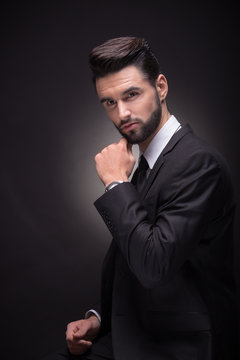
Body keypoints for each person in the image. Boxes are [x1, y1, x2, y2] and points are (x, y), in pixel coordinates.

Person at [43, 37, 238, 360]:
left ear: (160, 87)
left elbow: (153, 265)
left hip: (179, 346)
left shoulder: (198, 163)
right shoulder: (151, 163)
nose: (122, 113)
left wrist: (116, 184)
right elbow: (134, 257)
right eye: (109, 102)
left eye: (132, 95)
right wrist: (99, 318)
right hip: (132, 333)